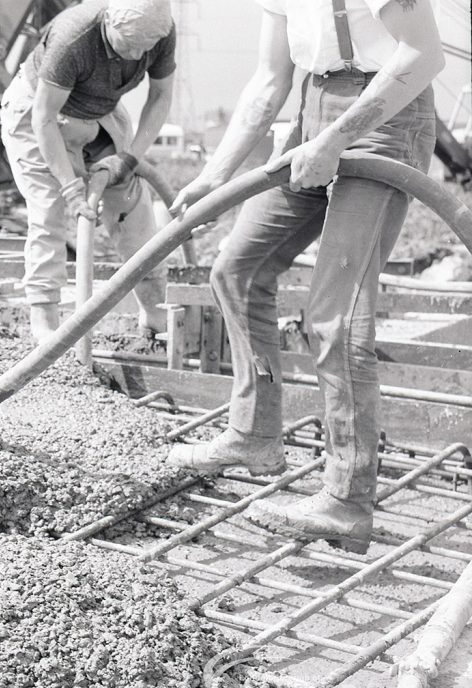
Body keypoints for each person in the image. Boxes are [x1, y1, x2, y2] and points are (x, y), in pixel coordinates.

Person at [167, 0, 443, 554]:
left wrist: (336, 140)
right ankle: (254, 434)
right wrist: (214, 175)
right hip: (310, 115)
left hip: (386, 114)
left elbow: (423, 54)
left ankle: (346, 497)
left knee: (334, 317)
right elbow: (270, 80)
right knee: (237, 270)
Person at [0, 0, 176, 343]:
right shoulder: (73, 38)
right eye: (126, 45)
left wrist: (129, 158)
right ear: (108, 21)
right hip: (38, 111)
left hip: (100, 115)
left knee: (132, 205)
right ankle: (45, 323)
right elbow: (44, 118)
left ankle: (155, 314)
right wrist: (70, 187)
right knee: (49, 210)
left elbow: (160, 96)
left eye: (144, 47)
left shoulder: (159, 28)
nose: (135, 55)